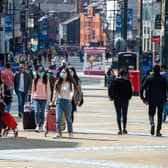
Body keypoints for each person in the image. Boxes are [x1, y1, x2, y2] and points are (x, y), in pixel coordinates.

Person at [140, 65, 168, 136]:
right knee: (159, 115)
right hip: (161, 99)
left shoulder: (149, 78)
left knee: (151, 113)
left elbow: (142, 88)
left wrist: (143, 98)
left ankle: (152, 124)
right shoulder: (163, 79)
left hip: (151, 99)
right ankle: (158, 131)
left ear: (153, 70)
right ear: (159, 70)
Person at [52, 67, 77, 138]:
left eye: (64, 72)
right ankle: (58, 132)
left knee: (68, 118)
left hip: (67, 102)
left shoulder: (70, 83)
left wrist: (71, 97)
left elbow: (72, 91)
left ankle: (70, 132)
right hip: (59, 101)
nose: (62, 74)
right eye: (62, 72)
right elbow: (55, 92)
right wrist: (52, 101)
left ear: (67, 74)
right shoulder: (58, 82)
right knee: (58, 118)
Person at [108, 68, 132, 135]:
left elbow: (110, 89)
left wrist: (111, 97)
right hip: (125, 100)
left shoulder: (114, 81)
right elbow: (130, 91)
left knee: (118, 114)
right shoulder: (128, 82)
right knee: (124, 115)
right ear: (125, 75)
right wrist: (129, 98)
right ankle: (124, 129)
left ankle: (119, 130)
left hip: (117, 100)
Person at [31, 66, 51, 132]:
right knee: (36, 111)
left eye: (42, 72)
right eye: (40, 72)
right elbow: (33, 89)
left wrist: (49, 99)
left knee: (42, 112)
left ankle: (42, 125)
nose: (41, 73)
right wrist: (32, 98)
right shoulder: (35, 79)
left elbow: (48, 90)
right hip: (36, 98)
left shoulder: (46, 79)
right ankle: (37, 125)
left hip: (44, 98)